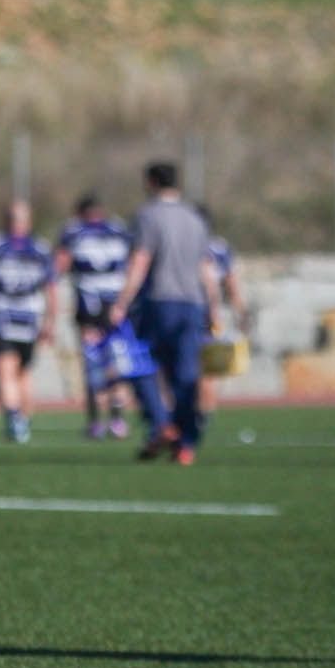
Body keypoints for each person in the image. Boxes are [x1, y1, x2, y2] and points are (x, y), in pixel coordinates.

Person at [108, 161, 218, 467]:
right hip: (192, 303)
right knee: (185, 375)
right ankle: (186, 443)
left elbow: (141, 260)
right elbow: (206, 268)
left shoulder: (148, 216)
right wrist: (213, 305)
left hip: (159, 301)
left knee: (141, 365)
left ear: (153, 182)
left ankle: (161, 424)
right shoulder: (195, 219)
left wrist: (121, 302)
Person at [0, 198, 57, 444]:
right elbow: (51, 289)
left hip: (3, 318)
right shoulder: (41, 248)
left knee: (6, 370)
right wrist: (50, 321)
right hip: (30, 318)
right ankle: (23, 420)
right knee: (23, 372)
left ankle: (15, 420)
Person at [56, 193, 133, 440]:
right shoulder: (119, 229)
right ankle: (118, 421)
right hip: (117, 306)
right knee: (116, 361)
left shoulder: (74, 231)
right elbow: (133, 263)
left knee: (93, 363)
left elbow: (60, 264)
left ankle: (95, 423)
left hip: (89, 307)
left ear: (80, 212)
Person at [195, 203, 248, 428]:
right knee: (206, 370)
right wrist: (239, 311)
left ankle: (199, 416)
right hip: (209, 315)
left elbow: (218, 284)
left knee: (199, 369)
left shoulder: (195, 246)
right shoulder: (219, 248)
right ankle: (203, 415)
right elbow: (231, 285)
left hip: (196, 313)